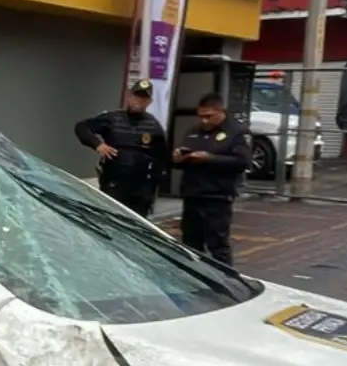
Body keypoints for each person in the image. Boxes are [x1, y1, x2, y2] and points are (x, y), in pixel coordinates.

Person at [173, 92, 251, 267]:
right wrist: (179, 158)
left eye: (209, 116)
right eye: (201, 116)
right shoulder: (193, 132)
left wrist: (211, 158)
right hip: (193, 195)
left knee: (217, 245)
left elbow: (242, 161)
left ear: (220, 111)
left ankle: (225, 282)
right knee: (190, 244)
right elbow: (182, 161)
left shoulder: (236, 132)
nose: (204, 121)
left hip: (217, 197)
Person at [73, 79, 170, 218]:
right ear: (129, 96)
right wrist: (98, 144)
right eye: (136, 96)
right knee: (111, 221)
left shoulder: (153, 126)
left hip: (141, 188)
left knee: (137, 226)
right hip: (115, 183)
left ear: (149, 102)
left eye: (144, 98)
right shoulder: (112, 118)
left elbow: (162, 157)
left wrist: (153, 188)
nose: (139, 101)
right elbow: (81, 127)